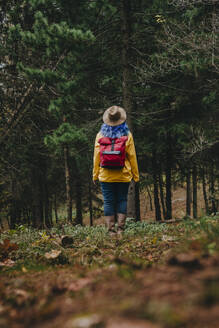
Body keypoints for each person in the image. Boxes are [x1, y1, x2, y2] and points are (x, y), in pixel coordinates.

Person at [93, 105, 139, 235]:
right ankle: (121, 230)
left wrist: (95, 175)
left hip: (106, 175)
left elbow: (97, 157)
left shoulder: (100, 135)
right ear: (121, 119)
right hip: (123, 175)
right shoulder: (127, 135)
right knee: (122, 200)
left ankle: (110, 230)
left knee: (108, 201)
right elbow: (132, 157)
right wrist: (136, 176)